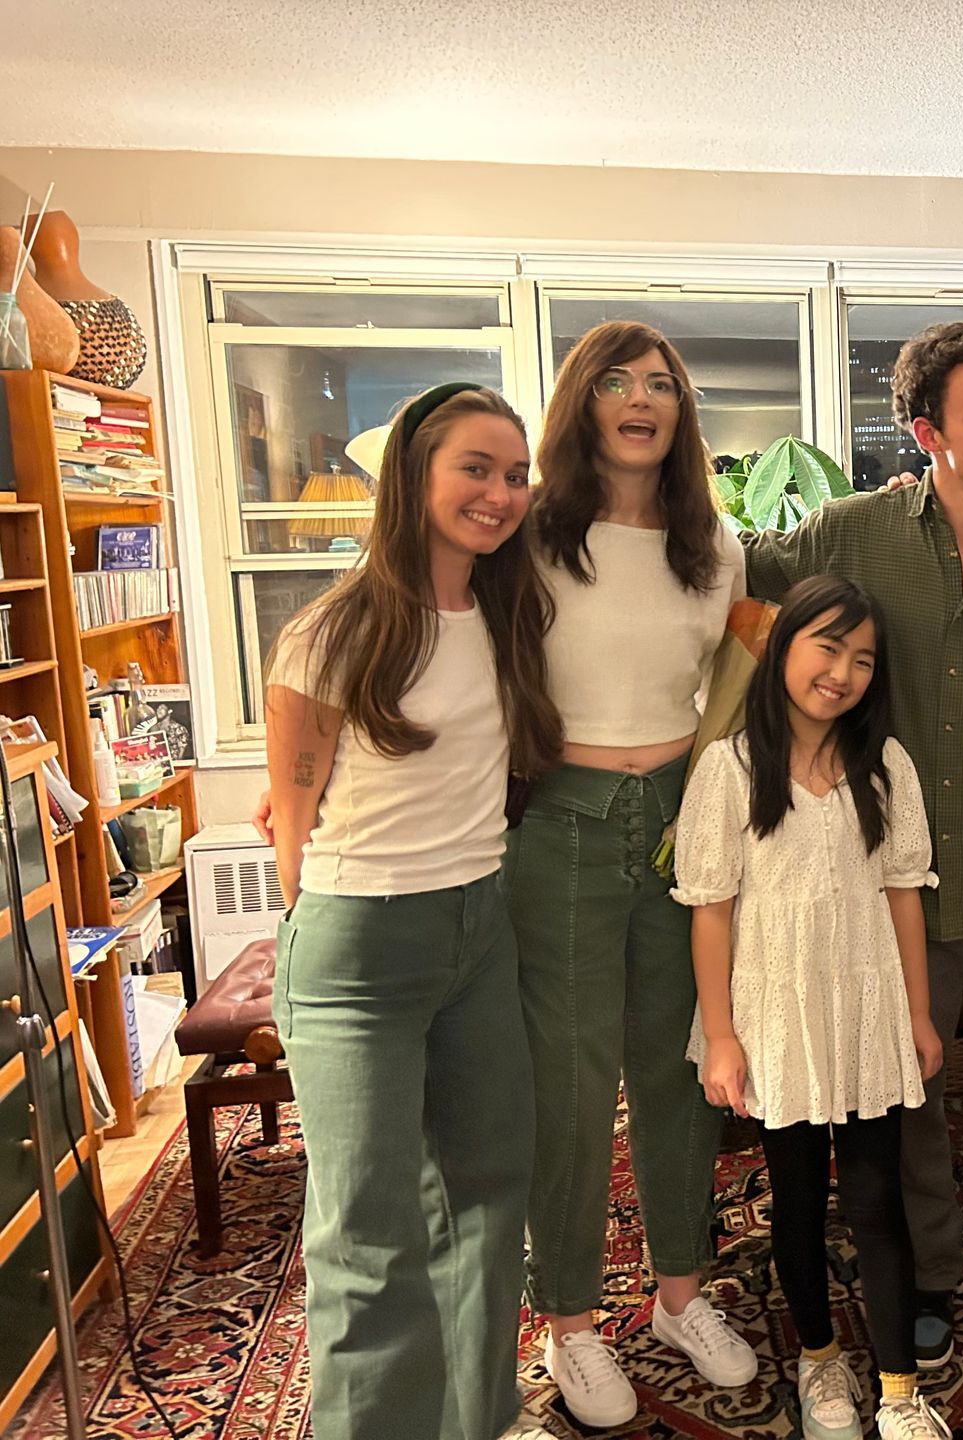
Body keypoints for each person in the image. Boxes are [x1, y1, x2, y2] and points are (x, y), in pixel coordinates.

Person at [739, 321, 963, 1369]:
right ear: (924, 429)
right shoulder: (853, 532)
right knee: (910, 1094)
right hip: (891, 877)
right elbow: (735, 580)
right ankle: (932, 1271)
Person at [264, 384, 562, 1439]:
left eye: (515, 473)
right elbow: (289, 821)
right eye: (475, 468)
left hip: (480, 925)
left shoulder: (510, 614)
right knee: (367, 1231)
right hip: (357, 944)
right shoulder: (333, 632)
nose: (500, 493)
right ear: (415, 478)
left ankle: (476, 1419)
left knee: (487, 1195)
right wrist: (333, 933)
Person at [510, 321, 755, 1426]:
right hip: (558, 820)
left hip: (679, 823)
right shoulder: (528, 533)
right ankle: (568, 1322)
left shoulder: (716, 544)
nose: (642, 399)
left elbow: (732, 693)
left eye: (662, 383)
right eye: (618, 382)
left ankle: (679, 1297)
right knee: (567, 1081)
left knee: (679, 1067)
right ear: (583, 401)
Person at [675, 575, 951, 1440]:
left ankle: (902, 1391)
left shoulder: (886, 766)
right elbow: (710, 909)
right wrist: (721, 1036)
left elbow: (904, 895)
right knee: (795, 1203)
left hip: (867, 1009)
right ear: (783, 647)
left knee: (877, 1202)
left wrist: (916, 1016)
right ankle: (821, 1358)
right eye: (827, 647)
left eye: (863, 658)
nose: (843, 671)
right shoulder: (729, 768)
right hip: (775, 1016)